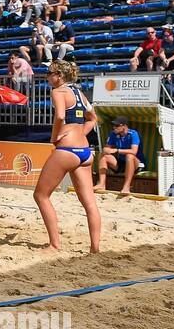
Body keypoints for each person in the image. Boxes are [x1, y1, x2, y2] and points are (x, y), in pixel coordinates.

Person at [34, 59, 102, 253]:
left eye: (50, 73)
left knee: (41, 195)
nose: (47, 76)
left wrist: (55, 137)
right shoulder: (79, 93)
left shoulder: (58, 91)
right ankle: (95, 248)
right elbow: (93, 119)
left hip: (67, 150)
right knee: (90, 203)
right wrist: (81, 131)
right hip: (85, 152)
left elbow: (61, 116)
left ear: (59, 76)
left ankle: (55, 245)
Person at [97, 116, 141, 194]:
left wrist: (117, 151)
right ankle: (101, 184)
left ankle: (126, 187)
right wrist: (108, 150)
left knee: (129, 156)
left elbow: (134, 151)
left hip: (135, 163)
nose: (114, 127)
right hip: (120, 162)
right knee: (103, 155)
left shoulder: (133, 134)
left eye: (117, 126)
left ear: (124, 126)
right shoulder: (113, 134)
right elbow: (105, 149)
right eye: (113, 125)